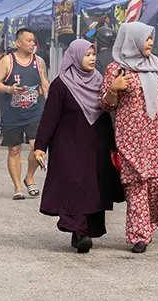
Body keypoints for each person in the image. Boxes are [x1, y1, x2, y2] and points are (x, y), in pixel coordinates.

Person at [100, 22, 158, 253]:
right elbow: (104, 105)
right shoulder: (116, 68)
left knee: (156, 187)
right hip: (130, 137)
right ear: (132, 39)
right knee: (136, 185)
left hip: (156, 137)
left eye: (151, 38)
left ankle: (149, 227)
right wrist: (113, 89)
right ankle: (138, 235)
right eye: (146, 38)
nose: (150, 42)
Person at [34, 40, 124, 253]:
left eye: (93, 54)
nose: (92, 58)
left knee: (91, 187)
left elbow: (105, 115)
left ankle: (81, 231)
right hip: (68, 145)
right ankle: (79, 230)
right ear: (75, 57)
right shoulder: (61, 84)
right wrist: (40, 145)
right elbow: (49, 118)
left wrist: (113, 145)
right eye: (87, 55)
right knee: (74, 185)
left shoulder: (100, 81)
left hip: (95, 144)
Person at [0, 28, 49, 199]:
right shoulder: (7, 61)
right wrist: (10, 89)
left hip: (35, 112)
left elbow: (45, 83)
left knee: (37, 147)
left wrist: (51, 101)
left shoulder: (39, 62)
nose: (32, 44)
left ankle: (29, 177)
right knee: (14, 149)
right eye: (29, 41)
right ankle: (18, 187)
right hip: (12, 114)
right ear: (18, 43)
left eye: (33, 41)